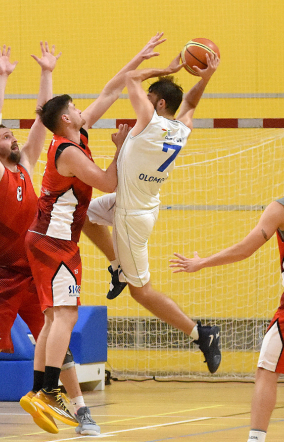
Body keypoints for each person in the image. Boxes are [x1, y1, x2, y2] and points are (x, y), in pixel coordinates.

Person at [0, 43, 98, 436]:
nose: (11, 137)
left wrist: (46, 73)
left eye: (11, 134)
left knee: (57, 336)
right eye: (5, 136)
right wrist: (1, 78)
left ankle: (82, 409)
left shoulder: (29, 165)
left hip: (36, 269)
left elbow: (42, 122)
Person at [171, 140, 284, 442]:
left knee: (267, 367)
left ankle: (255, 439)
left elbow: (244, 249)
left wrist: (202, 263)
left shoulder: (283, 207)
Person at [24, 39, 155, 431]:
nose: (84, 110)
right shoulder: (67, 150)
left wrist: (140, 57)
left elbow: (111, 89)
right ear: (67, 119)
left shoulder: (75, 133)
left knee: (51, 319)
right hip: (54, 241)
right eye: (76, 109)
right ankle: (49, 390)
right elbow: (107, 180)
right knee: (66, 314)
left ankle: (37, 392)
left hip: (48, 237)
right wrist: (122, 146)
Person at [86, 39, 222, 373]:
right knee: (84, 213)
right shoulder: (182, 128)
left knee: (141, 293)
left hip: (132, 217)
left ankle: (200, 332)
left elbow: (131, 78)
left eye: (148, 99)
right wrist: (205, 78)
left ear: (158, 104)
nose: (140, 102)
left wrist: (171, 68)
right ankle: (117, 264)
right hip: (134, 202)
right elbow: (188, 102)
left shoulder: (149, 123)